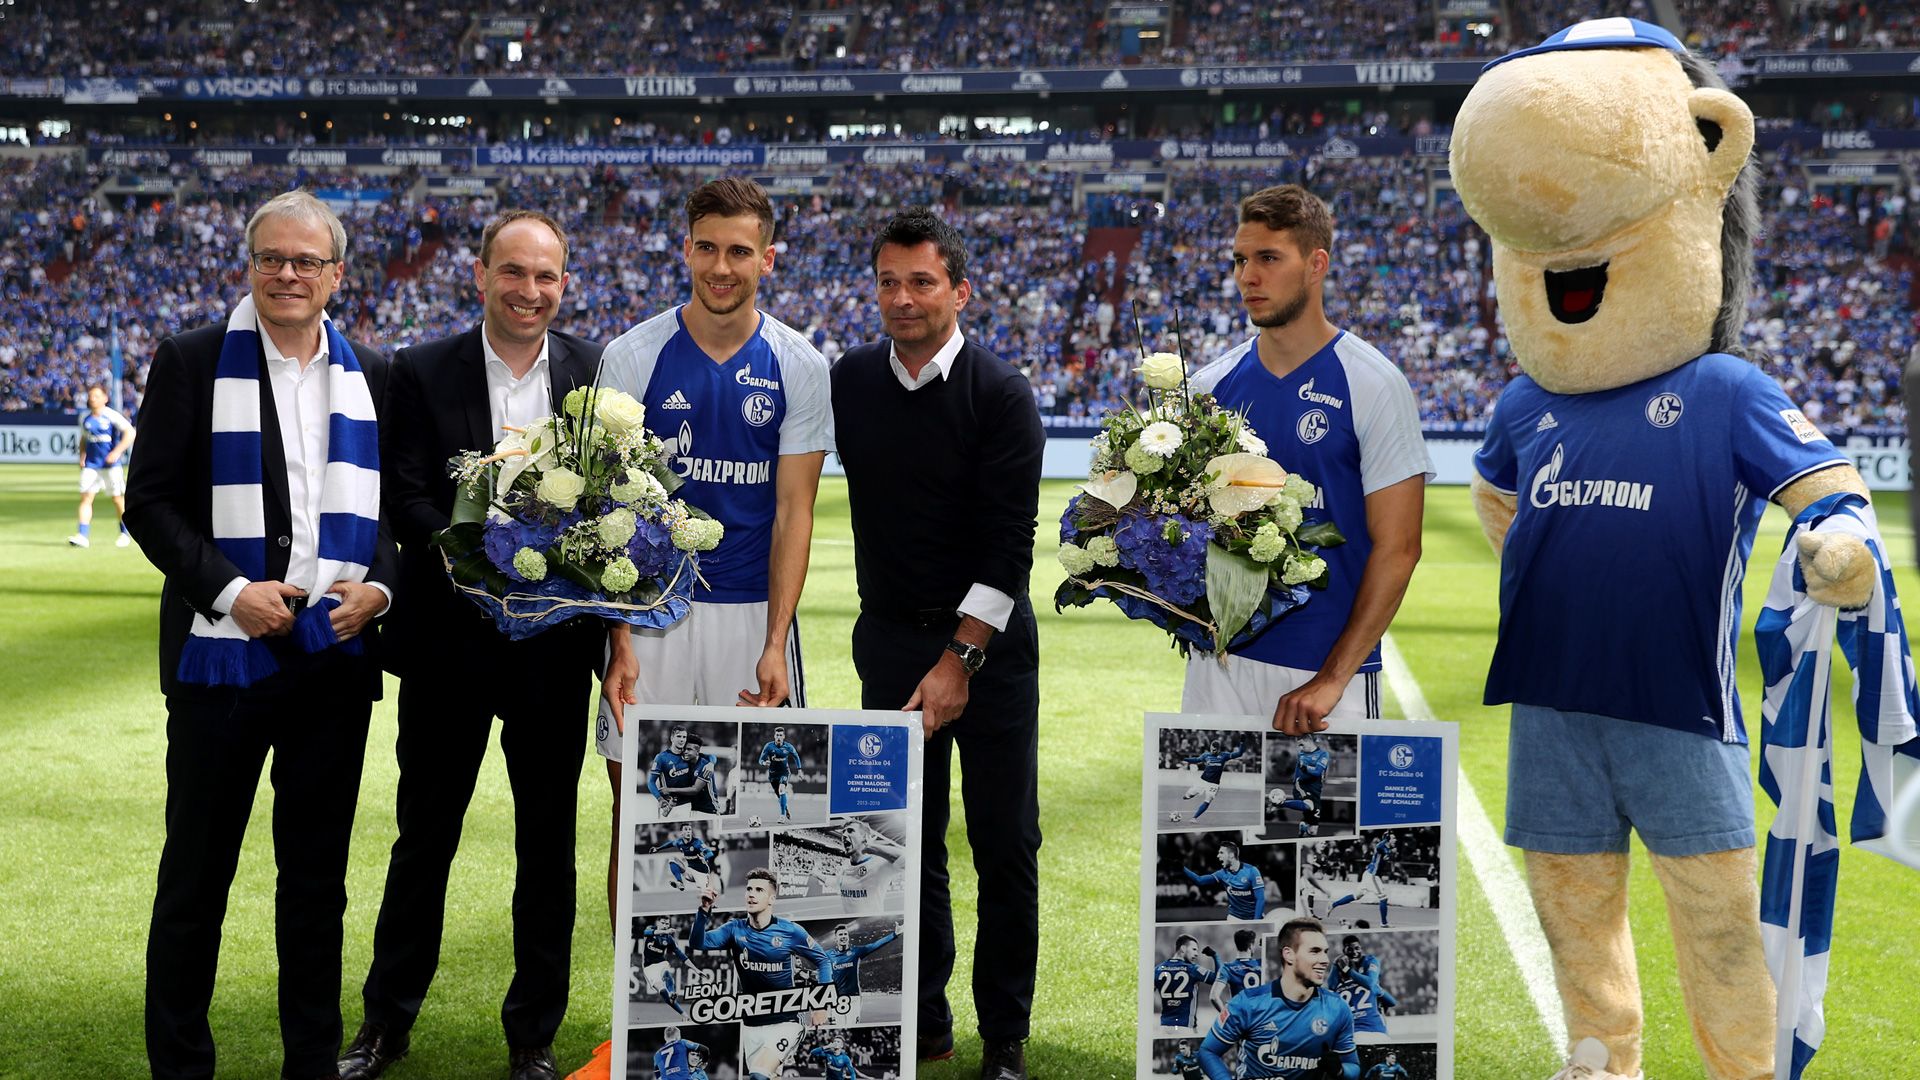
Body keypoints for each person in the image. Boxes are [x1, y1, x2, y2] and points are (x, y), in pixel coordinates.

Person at [338, 210, 631, 1080]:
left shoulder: (594, 373)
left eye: (545, 277)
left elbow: (616, 503)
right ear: (480, 275)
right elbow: (406, 495)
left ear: (564, 284)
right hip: (447, 645)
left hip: (551, 651)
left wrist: (562, 573)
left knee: (548, 845)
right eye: (513, 272)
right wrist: (486, 554)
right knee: (424, 838)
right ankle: (385, 1024)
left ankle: (532, 1036)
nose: (529, 291)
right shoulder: (420, 370)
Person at [126, 190, 398, 1080]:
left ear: (336, 276)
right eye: (272, 259)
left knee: (316, 887)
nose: (288, 274)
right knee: (196, 880)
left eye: (306, 262)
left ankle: (310, 1065)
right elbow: (151, 505)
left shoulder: (374, 375)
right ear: (249, 266)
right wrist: (232, 590)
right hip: (220, 662)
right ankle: (180, 1066)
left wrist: (381, 589)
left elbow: (390, 513)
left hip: (333, 662)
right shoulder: (192, 359)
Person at [831, 207, 1045, 1080]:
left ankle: (1005, 1038)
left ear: (960, 290)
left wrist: (959, 658)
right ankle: (920, 1024)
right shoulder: (847, 379)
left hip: (988, 656)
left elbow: (1010, 545)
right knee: (898, 848)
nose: (903, 298)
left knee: (1005, 845)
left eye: (922, 281)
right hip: (887, 646)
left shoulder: (1002, 391)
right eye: (888, 281)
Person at [596, 175, 833, 925]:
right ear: (686, 249)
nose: (721, 267)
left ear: (769, 259)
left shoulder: (800, 364)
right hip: (652, 621)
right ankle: (630, 1020)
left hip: (749, 619)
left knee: (756, 828)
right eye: (707, 248)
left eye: (740, 251)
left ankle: (736, 1011)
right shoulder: (633, 356)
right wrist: (620, 639)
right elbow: (608, 509)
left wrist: (774, 641)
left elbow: (795, 511)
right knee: (639, 821)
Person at [1186, 185, 1432, 735]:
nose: (1247, 276)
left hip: (1325, 683)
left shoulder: (1373, 383)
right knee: (1203, 823)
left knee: (1312, 824)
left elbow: (1400, 547)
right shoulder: (1207, 386)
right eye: (1240, 260)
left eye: (1268, 258)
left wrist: (1332, 677)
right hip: (1215, 670)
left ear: (1316, 264)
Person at [688, 868, 834, 1080]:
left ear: (771, 898)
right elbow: (697, 942)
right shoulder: (734, 929)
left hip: (786, 1022)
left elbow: (823, 960)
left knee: (758, 1076)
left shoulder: (791, 931)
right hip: (751, 1025)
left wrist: (820, 1004)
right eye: (749, 889)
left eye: (759, 890)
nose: (751, 894)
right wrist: (703, 911)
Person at [1198, 917, 1358, 1080]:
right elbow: (1208, 1052)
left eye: (1326, 952)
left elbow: (1353, 1067)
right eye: (1315, 951)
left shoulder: (1338, 1008)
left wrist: (1339, 1071)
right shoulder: (1247, 1002)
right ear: (1288, 954)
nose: (1325, 960)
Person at [69, 383, 136, 548]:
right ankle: (82, 536)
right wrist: (82, 456)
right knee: (86, 498)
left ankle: (124, 533)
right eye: (91, 396)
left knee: (117, 499)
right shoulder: (85, 418)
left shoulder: (112, 416)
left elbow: (130, 432)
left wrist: (117, 452)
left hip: (111, 466)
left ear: (105, 398)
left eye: (96, 396)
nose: (92, 399)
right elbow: (84, 438)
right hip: (91, 465)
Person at [823, 920, 905, 1025]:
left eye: (845, 934)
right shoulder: (829, 954)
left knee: (852, 1026)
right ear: (835, 938)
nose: (843, 936)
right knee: (838, 1028)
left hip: (854, 997)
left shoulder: (856, 951)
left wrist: (894, 934)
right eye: (840, 934)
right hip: (836, 998)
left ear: (848, 936)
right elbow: (813, 954)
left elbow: (875, 945)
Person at [1330, 935, 1398, 1039]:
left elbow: (1331, 986)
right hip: (1378, 1030)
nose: (1354, 952)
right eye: (1350, 949)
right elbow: (1392, 1002)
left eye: (1357, 948)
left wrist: (1340, 967)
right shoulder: (1373, 988)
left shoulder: (1369, 960)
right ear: (1344, 951)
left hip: (1353, 1035)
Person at [832, 817, 907, 910]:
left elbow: (908, 860)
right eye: (843, 832)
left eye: (850, 831)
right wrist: (815, 873)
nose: (844, 835)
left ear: (864, 837)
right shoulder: (844, 867)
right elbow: (833, 882)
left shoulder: (879, 863)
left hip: (873, 924)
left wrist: (870, 846)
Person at [648, 728, 725, 818]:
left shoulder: (688, 755)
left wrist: (711, 763)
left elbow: (711, 756)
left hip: (687, 805)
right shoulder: (662, 757)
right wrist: (659, 798)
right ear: (672, 738)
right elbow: (651, 782)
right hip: (668, 804)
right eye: (679, 736)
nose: (681, 739)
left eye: (684, 737)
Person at [1183, 841, 1267, 922]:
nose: (1218, 856)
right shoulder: (1222, 873)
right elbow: (1200, 880)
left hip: (1254, 917)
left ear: (1231, 855)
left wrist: (1256, 921)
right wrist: (1182, 868)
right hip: (1235, 918)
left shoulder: (1251, 871)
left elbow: (1260, 899)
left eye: (1221, 853)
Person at [1153, 935, 1220, 1033]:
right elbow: (1218, 979)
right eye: (1194, 949)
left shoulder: (1157, 969)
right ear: (1183, 948)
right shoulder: (1193, 969)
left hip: (1164, 1028)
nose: (1196, 954)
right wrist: (1215, 956)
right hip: (1185, 1028)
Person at [1326, 834, 1395, 928]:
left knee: (1356, 896)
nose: (1396, 840)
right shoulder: (1381, 846)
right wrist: (1384, 840)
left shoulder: (1388, 849)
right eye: (1393, 838)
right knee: (1383, 898)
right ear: (1387, 839)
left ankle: (1333, 904)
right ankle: (1384, 923)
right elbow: (1379, 846)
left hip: (1369, 875)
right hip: (1372, 876)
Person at [1271, 734, 1330, 835]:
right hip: (1302, 786)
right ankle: (1281, 803)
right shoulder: (1302, 755)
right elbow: (1313, 771)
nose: (1300, 748)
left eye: (1301, 745)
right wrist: (1305, 769)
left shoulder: (1323, 754)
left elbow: (1317, 771)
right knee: (1309, 806)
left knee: (1313, 831)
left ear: (1308, 741)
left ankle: (1303, 829)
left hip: (1316, 790)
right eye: (1299, 746)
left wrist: (1306, 768)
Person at [633, 915, 690, 1016]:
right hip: (648, 967)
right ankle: (683, 1013)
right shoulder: (650, 929)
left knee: (667, 973)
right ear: (657, 923)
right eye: (662, 923)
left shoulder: (668, 938)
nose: (665, 925)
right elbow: (646, 933)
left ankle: (672, 993)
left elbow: (679, 953)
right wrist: (665, 931)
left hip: (660, 963)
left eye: (667, 924)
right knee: (662, 990)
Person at [1179, 737, 1247, 820]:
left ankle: (1194, 818)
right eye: (1211, 749)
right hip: (1202, 781)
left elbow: (1239, 753)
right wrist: (1184, 759)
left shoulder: (1224, 756)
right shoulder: (1206, 755)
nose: (1212, 751)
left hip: (1213, 784)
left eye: (1214, 750)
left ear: (1218, 749)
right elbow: (1196, 760)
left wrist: (1242, 742)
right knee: (1187, 796)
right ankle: (1190, 795)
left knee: (1207, 800)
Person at [652, 821, 725, 894]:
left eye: (689, 829)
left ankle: (712, 901)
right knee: (672, 859)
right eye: (686, 829)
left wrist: (704, 858)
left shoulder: (697, 842)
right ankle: (680, 882)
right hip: (690, 873)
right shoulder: (679, 842)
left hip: (701, 872)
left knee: (705, 896)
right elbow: (670, 844)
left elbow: (709, 853)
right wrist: (658, 849)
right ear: (681, 832)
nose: (688, 831)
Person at [1210, 929, 1263, 1013]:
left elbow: (1214, 997)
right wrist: (1266, 945)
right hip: (1259, 1016)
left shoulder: (1227, 968)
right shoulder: (1262, 963)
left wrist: (1226, 1016)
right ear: (1250, 946)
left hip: (1240, 1018)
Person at [759, 723, 803, 822]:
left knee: (782, 790)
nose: (778, 737)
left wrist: (799, 770)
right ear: (774, 736)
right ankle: (785, 808)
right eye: (777, 735)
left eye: (780, 735)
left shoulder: (788, 747)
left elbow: (796, 757)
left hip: (785, 773)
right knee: (779, 796)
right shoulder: (768, 746)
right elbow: (760, 760)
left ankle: (782, 816)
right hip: (773, 775)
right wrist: (764, 762)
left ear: (783, 736)